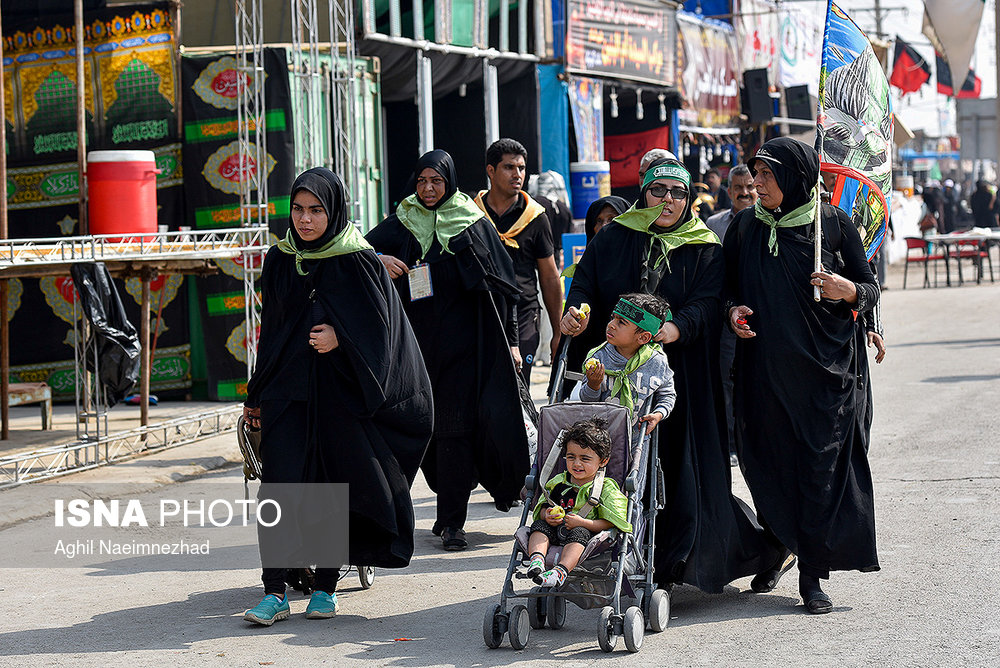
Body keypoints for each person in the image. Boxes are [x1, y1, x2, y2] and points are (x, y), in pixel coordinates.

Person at [558, 157, 780, 594]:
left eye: (678, 192)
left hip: (681, 377)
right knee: (621, 468)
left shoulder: (703, 246)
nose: (668, 200)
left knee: (681, 470)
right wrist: (577, 311)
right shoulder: (616, 236)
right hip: (617, 376)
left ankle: (677, 564)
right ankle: (617, 555)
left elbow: (709, 301)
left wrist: (672, 329)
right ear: (644, 190)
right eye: (659, 190)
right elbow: (584, 284)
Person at [242, 167, 433, 625]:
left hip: (339, 392)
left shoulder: (358, 260)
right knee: (280, 486)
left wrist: (341, 339)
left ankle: (326, 587)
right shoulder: (280, 259)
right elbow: (270, 333)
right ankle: (273, 591)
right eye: (298, 210)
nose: (305, 220)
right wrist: (256, 393)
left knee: (330, 484)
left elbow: (382, 332)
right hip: (287, 389)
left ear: (334, 211)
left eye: (316, 210)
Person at [725, 137, 880, 615]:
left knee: (818, 471)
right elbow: (724, 287)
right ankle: (778, 547)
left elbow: (870, 288)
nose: (758, 183)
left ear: (795, 177)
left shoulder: (832, 224)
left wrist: (847, 288)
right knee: (770, 466)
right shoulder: (746, 227)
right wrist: (732, 311)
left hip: (824, 378)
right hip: (764, 374)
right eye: (756, 174)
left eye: (768, 175)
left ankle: (812, 575)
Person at [367, 149, 530, 552]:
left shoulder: (471, 223)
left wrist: (510, 340)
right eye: (422, 181)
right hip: (413, 349)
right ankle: (430, 507)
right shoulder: (402, 222)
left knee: (455, 432)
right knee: (421, 431)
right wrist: (381, 258)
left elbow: (504, 288)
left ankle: (452, 521)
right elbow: (356, 252)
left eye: (436, 181)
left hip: (464, 350)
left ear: (449, 182)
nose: (427, 189)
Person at [475, 138, 563, 385]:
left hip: (525, 315)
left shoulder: (535, 217)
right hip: (483, 312)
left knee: (518, 386)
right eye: (509, 167)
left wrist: (557, 332)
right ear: (490, 171)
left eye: (521, 168)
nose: (517, 174)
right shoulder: (471, 214)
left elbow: (549, 276)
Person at [525, 417, 632, 587]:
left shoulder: (605, 487)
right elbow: (544, 504)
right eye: (571, 457)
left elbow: (611, 522)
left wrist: (584, 523)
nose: (576, 463)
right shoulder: (559, 481)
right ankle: (537, 560)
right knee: (539, 526)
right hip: (555, 530)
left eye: (585, 458)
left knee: (579, 532)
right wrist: (547, 514)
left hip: (586, 536)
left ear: (603, 461)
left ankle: (560, 571)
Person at [705, 164, 757, 466]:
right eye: (738, 188)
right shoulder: (714, 224)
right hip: (725, 315)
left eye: (750, 186)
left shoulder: (769, 222)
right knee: (725, 379)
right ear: (729, 191)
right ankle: (731, 443)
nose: (745, 193)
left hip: (759, 313)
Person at [571, 293, 676, 435]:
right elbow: (587, 401)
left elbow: (668, 395)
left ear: (643, 337)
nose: (611, 325)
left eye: (621, 322)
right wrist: (593, 385)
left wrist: (658, 414)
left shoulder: (656, 362)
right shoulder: (599, 356)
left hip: (635, 440)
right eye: (613, 318)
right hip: (597, 438)